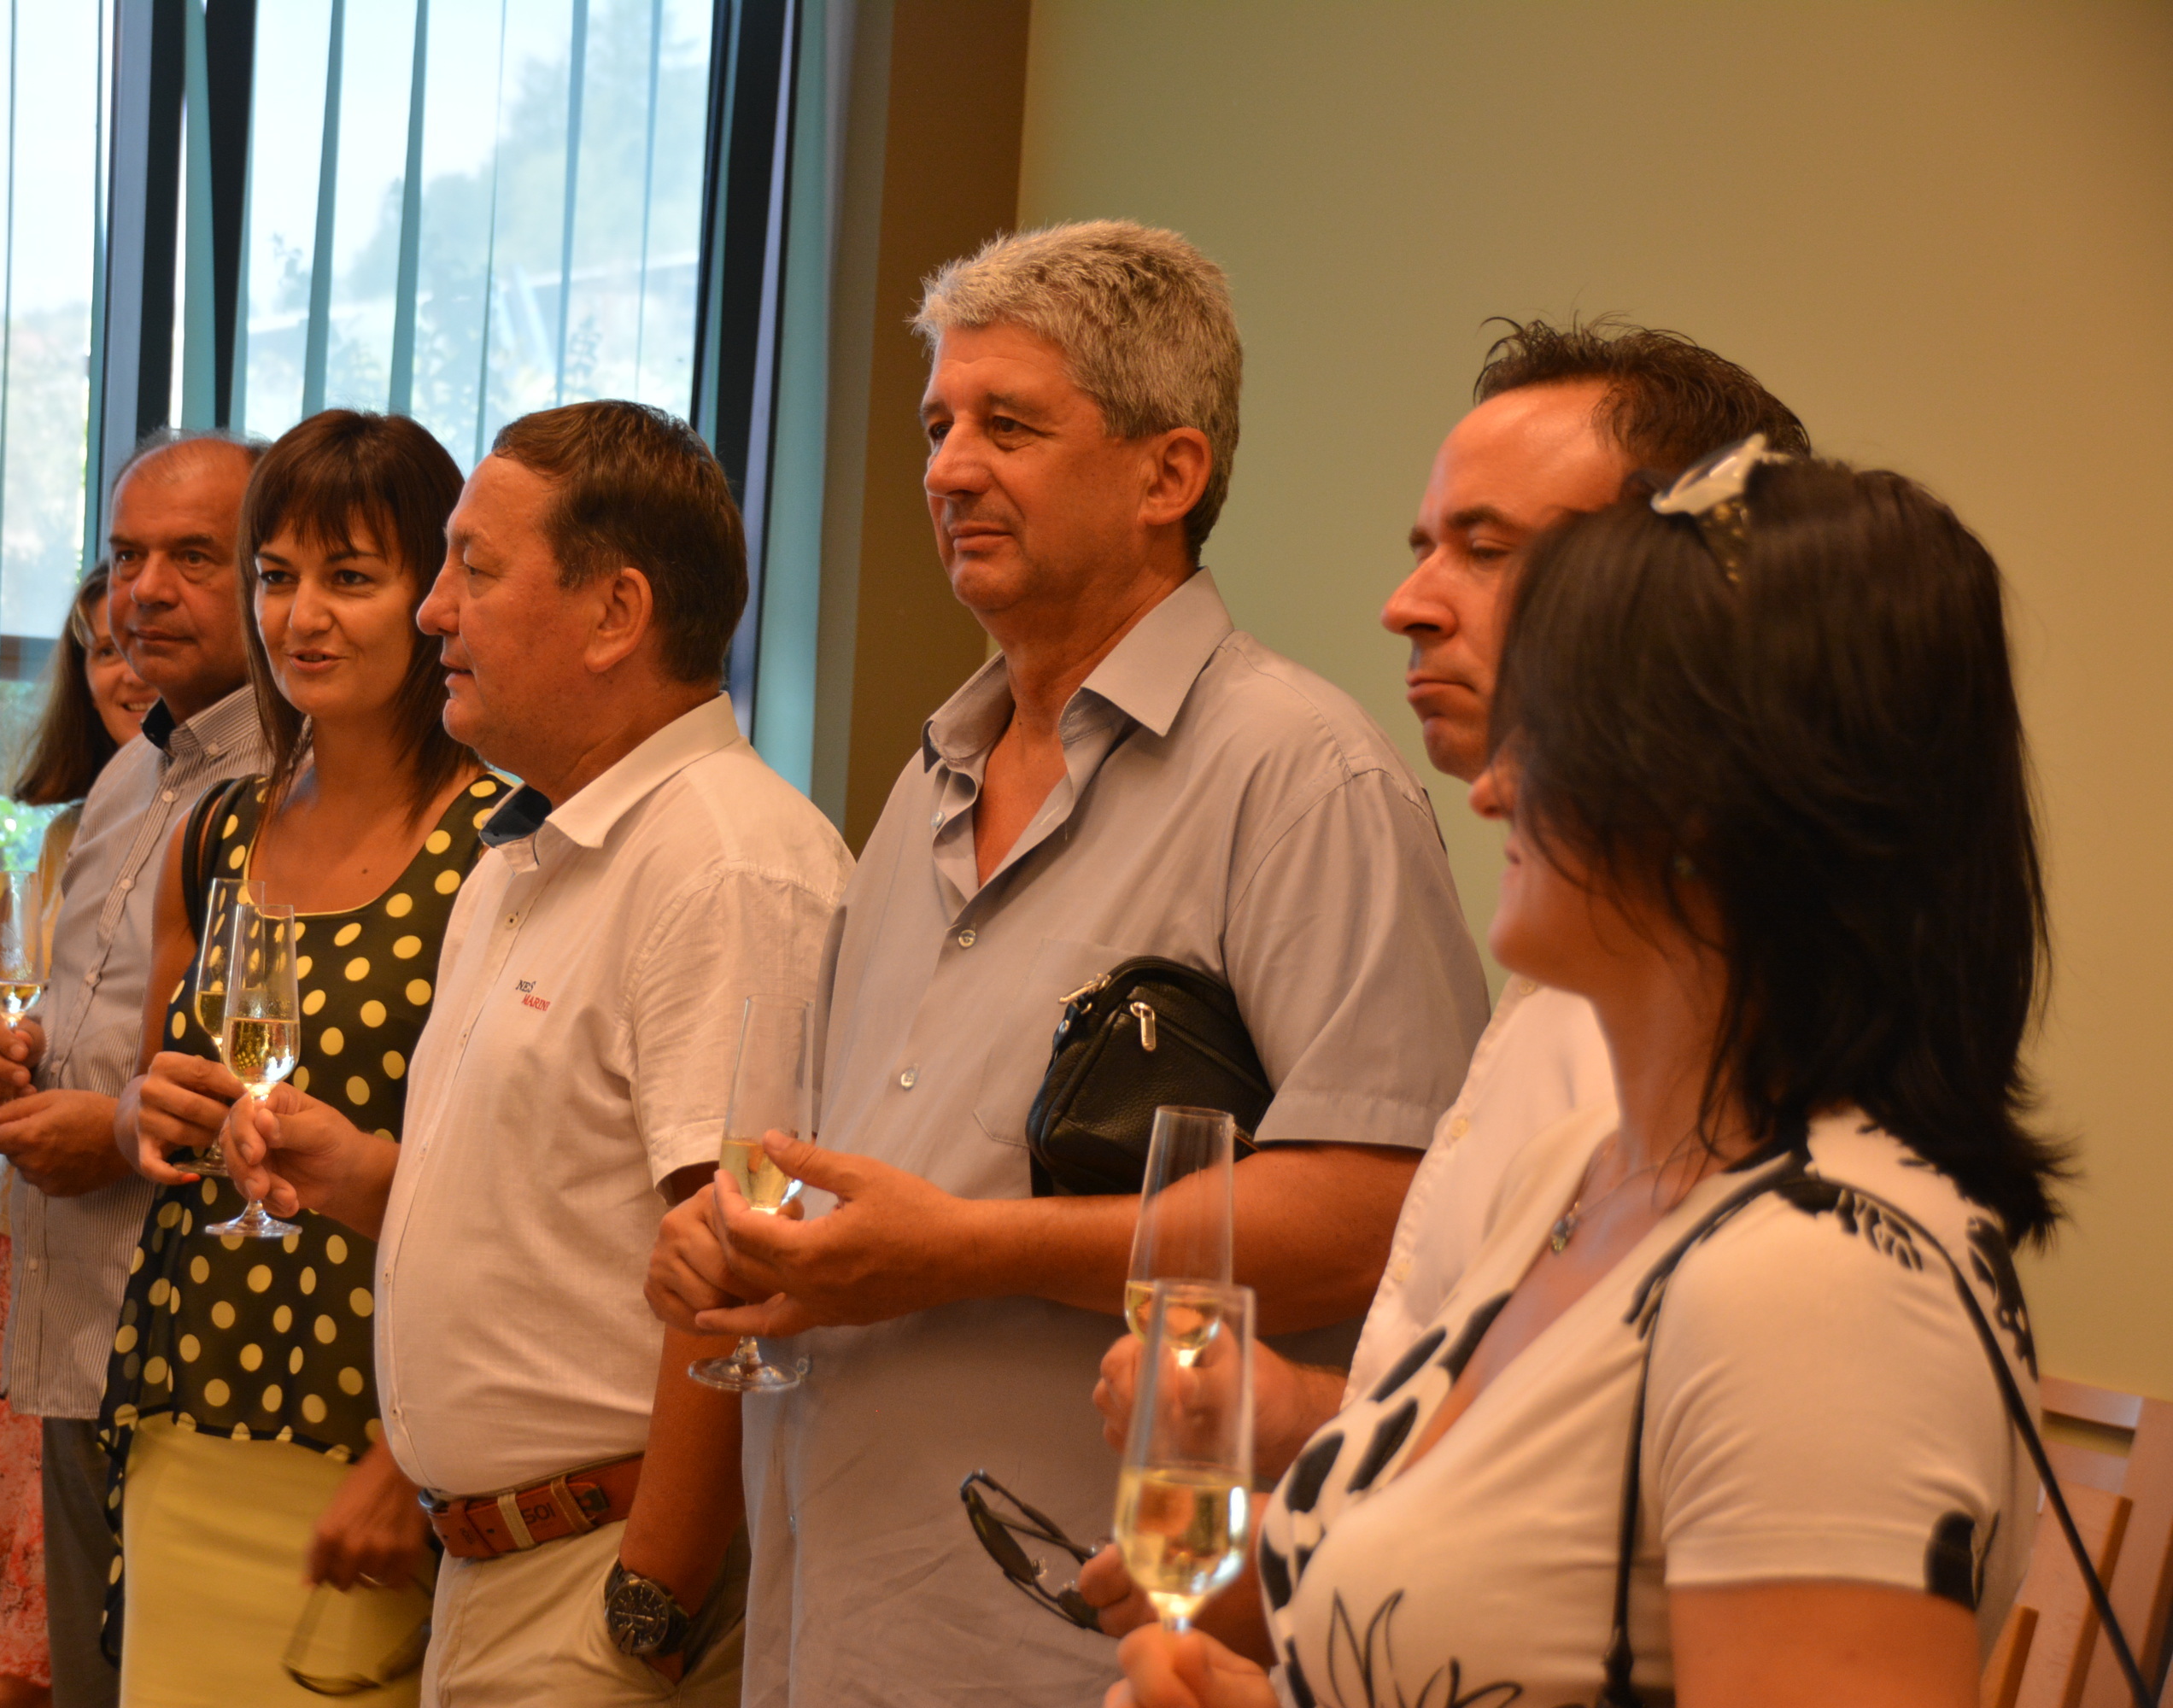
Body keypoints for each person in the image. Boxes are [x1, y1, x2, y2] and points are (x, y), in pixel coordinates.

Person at [641, 220, 1490, 1705]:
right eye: (938, 426)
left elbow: (1376, 1211)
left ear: (1170, 474)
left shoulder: (1304, 777)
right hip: (834, 1630)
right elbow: (861, 1178)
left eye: (1010, 427)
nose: (949, 469)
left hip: (1081, 1645)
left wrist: (963, 1251)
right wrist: (752, 1252)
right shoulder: (928, 779)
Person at [1111, 451, 2057, 1707]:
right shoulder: (1577, 1173)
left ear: (1716, 800)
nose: (1494, 785)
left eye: (1555, 729)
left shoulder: (1824, 1279)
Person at [1092, 323, 1815, 1477]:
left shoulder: (1749, 1057)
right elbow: (1527, 1446)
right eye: (1426, 547)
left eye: (1486, 550)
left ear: (1675, 597)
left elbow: (1661, 1507)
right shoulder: (1565, 986)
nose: (1408, 605)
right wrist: (1291, 1419)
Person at [221, 400, 852, 1706]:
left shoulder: (724, 865)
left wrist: (649, 1606)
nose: (434, 610)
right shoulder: (530, 851)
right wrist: (368, 1178)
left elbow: (739, 1268)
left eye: (474, 567)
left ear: (616, 614)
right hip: (492, 1571)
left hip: (601, 1584)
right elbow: (568, 1217)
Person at [102, 409, 492, 1707]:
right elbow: (156, 1110)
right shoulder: (218, 829)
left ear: (436, 595)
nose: (301, 616)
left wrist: (407, 1452)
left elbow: (521, 1195)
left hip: (382, 1415)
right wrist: (147, 1111)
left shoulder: (503, 843)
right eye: (275, 576)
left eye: (352, 576)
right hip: (192, 1385)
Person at [0, 435, 268, 1708]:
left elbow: (292, 1072)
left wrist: (118, 1129)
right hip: (71, 1315)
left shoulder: (305, 778)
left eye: (195, 556)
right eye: (128, 555)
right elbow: (77, 1017)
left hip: (201, 1342)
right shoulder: (136, 769)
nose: (145, 591)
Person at [0, 560, 149, 1708]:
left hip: (133, 1245)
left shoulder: (262, 818)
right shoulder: (65, 839)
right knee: (9, 1637)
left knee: (82, 1635)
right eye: (104, 648)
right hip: (23, 1237)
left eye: (144, 641)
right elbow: (19, 1022)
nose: (128, 667)